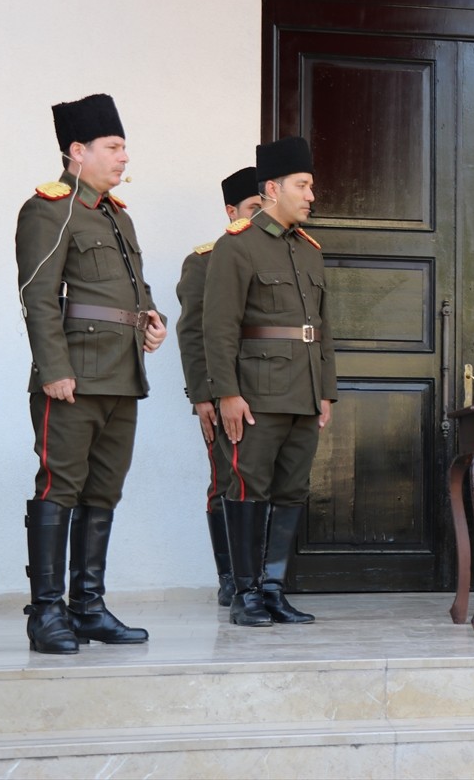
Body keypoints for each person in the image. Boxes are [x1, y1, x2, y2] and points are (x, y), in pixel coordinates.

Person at [15, 93, 168, 654]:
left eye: (124, 146)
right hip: (73, 377)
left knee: (104, 491)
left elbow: (136, 289)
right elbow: (37, 294)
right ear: (77, 151)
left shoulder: (115, 215)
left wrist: (152, 322)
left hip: (121, 377)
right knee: (61, 487)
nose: (124, 156)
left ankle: (87, 607)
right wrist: (53, 368)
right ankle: (47, 613)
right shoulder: (50, 209)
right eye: (113, 146)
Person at [203, 136, 336, 627]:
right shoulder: (236, 246)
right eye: (303, 186)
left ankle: (274, 589)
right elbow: (216, 327)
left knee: (291, 491)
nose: (311, 196)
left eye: (310, 186)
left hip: (303, 392)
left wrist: (326, 390)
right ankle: (245, 594)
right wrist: (227, 393)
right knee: (246, 488)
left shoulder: (310, 252)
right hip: (256, 394)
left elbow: (322, 328)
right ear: (273, 188)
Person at [176, 166, 260, 607]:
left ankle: (262, 576)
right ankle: (230, 576)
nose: (262, 215)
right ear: (231, 212)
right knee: (226, 479)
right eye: (252, 208)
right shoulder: (205, 260)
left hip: (271, 389)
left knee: (267, 482)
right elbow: (192, 333)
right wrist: (203, 396)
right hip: (225, 392)